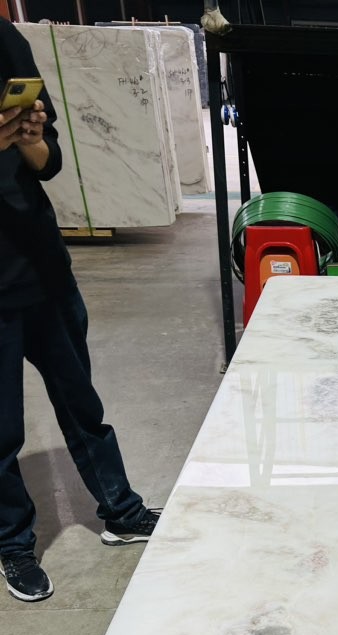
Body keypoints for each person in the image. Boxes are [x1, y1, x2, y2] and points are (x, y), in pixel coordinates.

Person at [0, 17, 159, 603]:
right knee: (2, 432)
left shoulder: (4, 40)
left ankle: (121, 510)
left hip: (43, 268)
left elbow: (50, 161)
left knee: (81, 403)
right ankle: (13, 544)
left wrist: (29, 138)